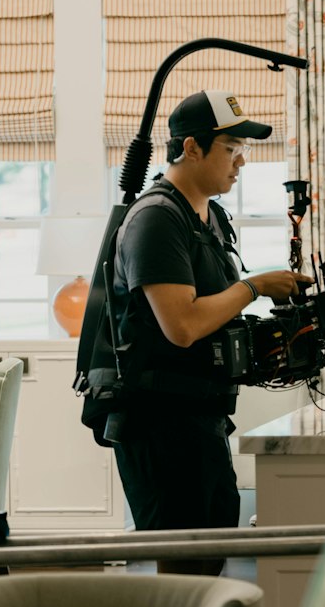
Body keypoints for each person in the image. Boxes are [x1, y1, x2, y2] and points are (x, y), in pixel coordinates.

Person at [111, 90, 308, 576]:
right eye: (231, 149)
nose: (242, 162)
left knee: (210, 551)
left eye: (245, 150)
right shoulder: (157, 218)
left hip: (201, 416)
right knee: (186, 569)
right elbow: (183, 326)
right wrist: (255, 285)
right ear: (191, 148)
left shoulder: (211, 217)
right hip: (160, 422)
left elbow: (214, 314)